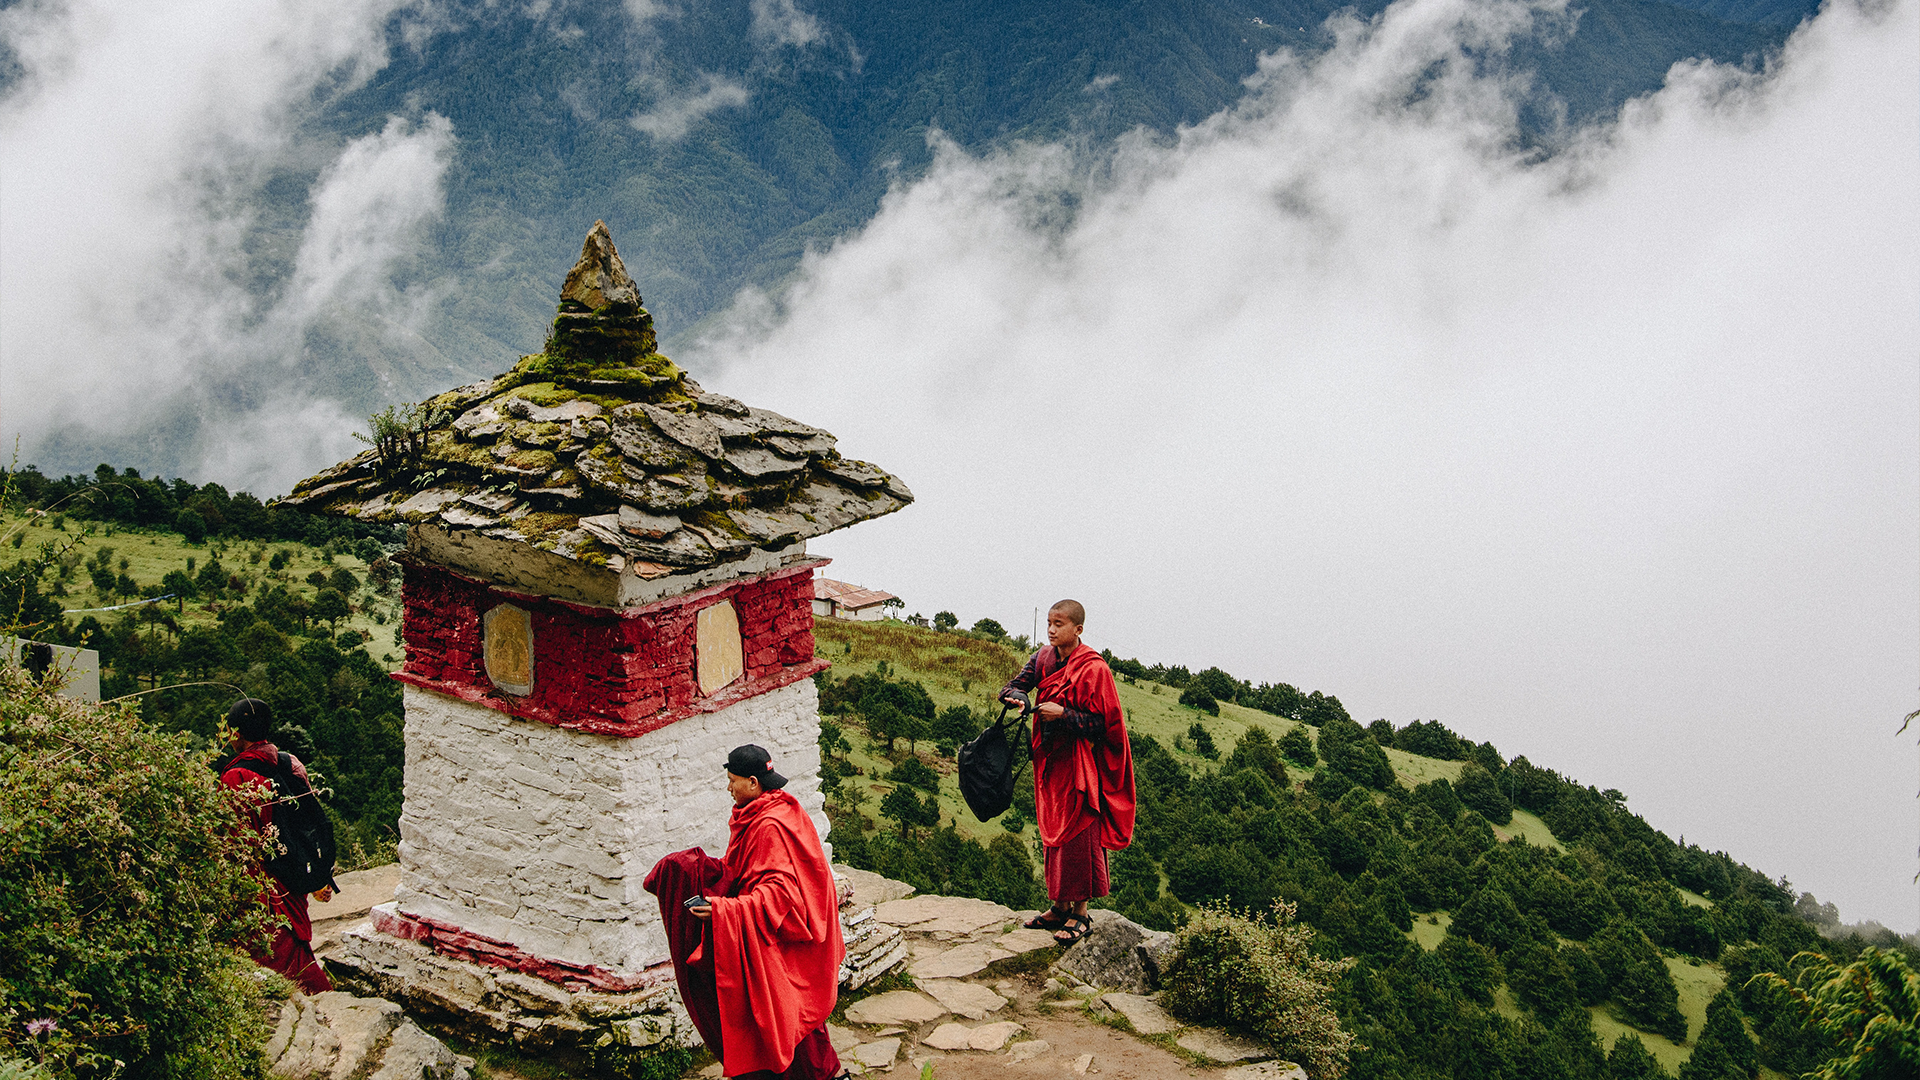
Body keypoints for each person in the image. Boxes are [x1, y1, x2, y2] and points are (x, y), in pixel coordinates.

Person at [645, 746, 845, 1080]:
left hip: (784, 940)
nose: (728, 788)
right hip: (768, 933)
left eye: (732, 780)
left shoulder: (771, 826)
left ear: (753, 782)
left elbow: (780, 893)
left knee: (789, 1015)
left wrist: (726, 910)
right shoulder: (777, 809)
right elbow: (748, 872)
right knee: (790, 1016)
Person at [1000, 600, 1135, 944]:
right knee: (1053, 832)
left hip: (1080, 763)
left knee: (1078, 834)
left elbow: (1104, 725)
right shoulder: (1043, 658)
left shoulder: (1094, 669)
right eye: (1049, 622)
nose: (1051, 629)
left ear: (1078, 629)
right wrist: (1017, 698)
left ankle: (1081, 913)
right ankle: (1059, 906)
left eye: (1059, 624)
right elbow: (1013, 686)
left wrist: (1063, 715)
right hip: (1050, 761)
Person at [216, 698, 334, 995]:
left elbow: (233, 844)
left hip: (264, 883)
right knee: (293, 948)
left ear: (235, 734)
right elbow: (307, 820)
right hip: (293, 871)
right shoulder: (290, 763)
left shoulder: (236, 777)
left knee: (275, 951)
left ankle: (319, 1003)